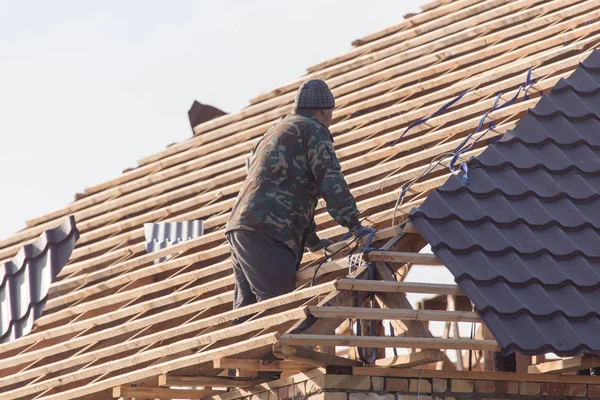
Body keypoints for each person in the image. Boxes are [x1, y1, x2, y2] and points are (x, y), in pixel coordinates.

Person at [226, 79, 375, 316]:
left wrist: (313, 241)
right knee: (279, 315)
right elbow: (329, 179)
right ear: (324, 110)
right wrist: (354, 224)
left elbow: (287, 191)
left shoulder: (275, 132)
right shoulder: (312, 130)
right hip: (268, 235)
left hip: (242, 229)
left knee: (248, 318)